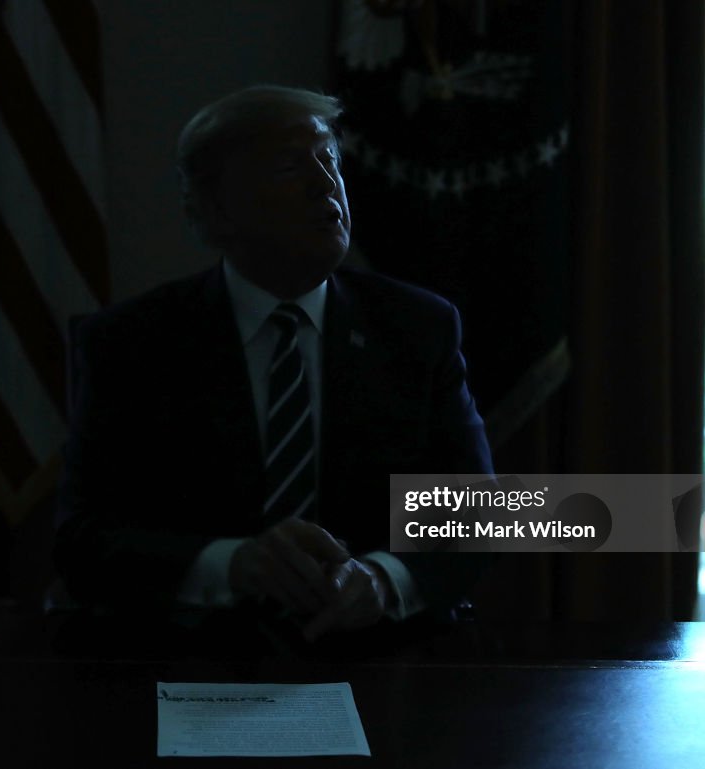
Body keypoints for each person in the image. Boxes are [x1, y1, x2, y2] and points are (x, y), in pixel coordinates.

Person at [53, 84, 494, 647]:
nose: (324, 182)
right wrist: (233, 565)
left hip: (380, 656)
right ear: (215, 208)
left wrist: (384, 579)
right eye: (290, 165)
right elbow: (81, 540)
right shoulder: (131, 342)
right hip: (188, 658)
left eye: (328, 159)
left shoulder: (417, 328)